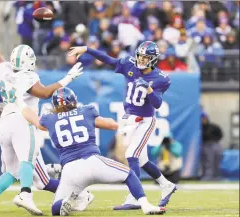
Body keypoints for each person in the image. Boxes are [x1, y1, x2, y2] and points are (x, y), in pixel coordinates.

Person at [0, 16, 83, 215]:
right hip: (21, 119)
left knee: (11, 171)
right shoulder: (29, 76)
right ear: (29, 62)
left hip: (4, 121)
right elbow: (44, 93)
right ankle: (25, 194)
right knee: (27, 160)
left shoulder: (5, 69)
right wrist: (68, 78)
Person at [0, 69, 93, 215]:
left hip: (12, 128)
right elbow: (42, 93)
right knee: (30, 177)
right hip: (16, 129)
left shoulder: (9, 84)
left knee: (21, 175)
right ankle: (18, 194)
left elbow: (41, 93)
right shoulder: (14, 81)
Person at [68, 41, 176, 210]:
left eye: (146, 58)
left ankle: (134, 196)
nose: (141, 60)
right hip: (131, 119)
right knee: (142, 160)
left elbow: (157, 104)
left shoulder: (161, 79)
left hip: (145, 121)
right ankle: (166, 185)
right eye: (140, 56)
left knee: (131, 155)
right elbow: (108, 59)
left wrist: (148, 90)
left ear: (153, 59)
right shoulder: (129, 64)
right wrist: (87, 49)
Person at [38, 87, 166, 216]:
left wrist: (21, 104)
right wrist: (127, 122)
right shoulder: (86, 110)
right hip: (93, 162)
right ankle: (145, 205)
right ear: (73, 101)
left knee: (55, 209)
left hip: (70, 170)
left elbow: (38, 123)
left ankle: (66, 201)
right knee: (129, 174)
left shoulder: (48, 119)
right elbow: (111, 125)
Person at [201, 111, 223, 180]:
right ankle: (208, 177)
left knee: (217, 161)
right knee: (208, 162)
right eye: (202, 118)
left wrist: (216, 140)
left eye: (204, 118)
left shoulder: (213, 126)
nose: (203, 120)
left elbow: (220, 134)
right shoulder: (200, 128)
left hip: (215, 144)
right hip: (206, 145)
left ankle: (216, 177)